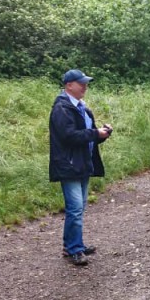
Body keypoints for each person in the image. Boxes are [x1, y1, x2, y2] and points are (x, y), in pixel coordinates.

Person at [49, 69, 112, 266]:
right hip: (68, 165)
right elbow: (69, 136)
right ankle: (74, 249)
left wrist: (102, 134)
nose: (85, 86)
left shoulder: (81, 107)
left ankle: (73, 245)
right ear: (69, 85)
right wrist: (95, 133)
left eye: (85, 83)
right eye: (81, 83)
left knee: (79, 207)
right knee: (75, 208)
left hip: (82, 163)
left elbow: (88, 137)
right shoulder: (62, 108)